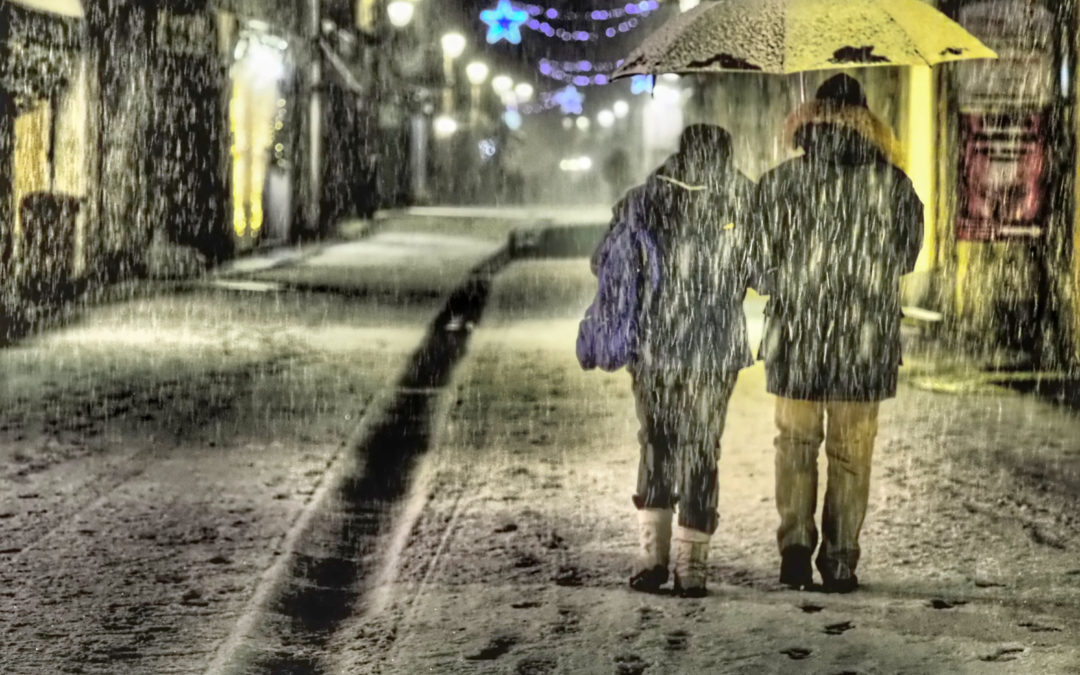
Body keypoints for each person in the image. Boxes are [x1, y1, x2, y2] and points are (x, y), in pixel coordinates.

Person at [753, 74, 923, 593]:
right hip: (863, 340)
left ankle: (796, 552)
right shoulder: (893, 185)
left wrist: (797, 284)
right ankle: (842, 559)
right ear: (867, 121)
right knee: (851, 454)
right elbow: (906, 257)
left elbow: (758, 268)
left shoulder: (779, 183)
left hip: (797, 337)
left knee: (795, 445)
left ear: (813, 116)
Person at [590, 124, 759, 597]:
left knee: (657, 443)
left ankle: (651, 558)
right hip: (713, 348)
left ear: (679, 154)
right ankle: (692, 568)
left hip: (655, 348)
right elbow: (763, 272)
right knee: (702, 448)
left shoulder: (642, 198)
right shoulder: (743, 199)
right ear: (725, 157)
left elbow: (604, 261)